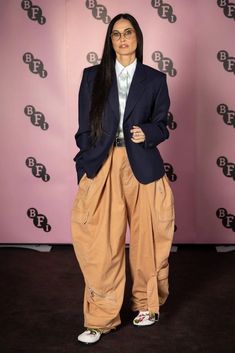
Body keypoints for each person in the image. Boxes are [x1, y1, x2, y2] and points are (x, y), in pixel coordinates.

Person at [71, 13, 175, 344]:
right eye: (116, 34)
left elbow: (162, 124)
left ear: (137, 38)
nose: (122, 38)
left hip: (143, 167)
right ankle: (101, 318)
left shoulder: (155, 79)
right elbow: (84, 127)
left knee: (148, 241)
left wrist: (147, 132)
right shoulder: (92, 77)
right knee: (101, 244)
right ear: (110, 40)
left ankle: (146, 305)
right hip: (104, 164)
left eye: (128, 32)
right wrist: (88, 162)